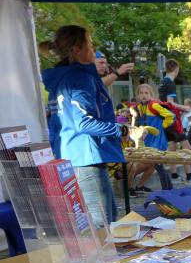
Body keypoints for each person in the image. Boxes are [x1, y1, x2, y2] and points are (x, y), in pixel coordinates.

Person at [40, 25, 128, 226]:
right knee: (101, 223)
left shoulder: (61, 78)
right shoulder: (80, 79)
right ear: (77, 49)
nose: (93, 49)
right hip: (86, 157)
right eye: (90, 44)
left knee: (105, 218)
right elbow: (83, 123)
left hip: (71, 155)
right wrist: (120, 129)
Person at [132, 83, 174, 192]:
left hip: (157, 140)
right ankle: (168, 189)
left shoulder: (154, 105)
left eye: (146, 93)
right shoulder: (139, 107)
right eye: (141, 93)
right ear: (138, 95)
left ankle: (167, 190)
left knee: (158, 165)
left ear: (151, 95)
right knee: (158, 165)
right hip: (148, 140)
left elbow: (170, 115)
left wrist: (163, 125)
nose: (144, 95)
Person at [158, 59, 191, 182]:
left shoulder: (162, 82)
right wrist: (185, 108)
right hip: (173, 120)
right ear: (176, 70)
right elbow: (170, 103)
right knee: (186, 147)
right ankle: (189, 176)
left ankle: (174, 175)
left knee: (172, 147)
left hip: (165, 119)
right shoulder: (170, 83)